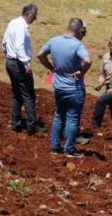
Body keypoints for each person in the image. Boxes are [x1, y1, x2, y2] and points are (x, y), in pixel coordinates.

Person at [37, 18, 92, 157]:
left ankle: (55, 147)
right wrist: (82, 72)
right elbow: (88, 60)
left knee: (59, 116)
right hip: (74, 88)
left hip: (59, 87)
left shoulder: (54, 40)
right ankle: (69, 150)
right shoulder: (77, 45)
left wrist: (51, 67)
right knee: (72, 118)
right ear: (79, 30)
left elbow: (40, 55)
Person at [2, 3, 40, 134]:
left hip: (10, 61)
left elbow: (5, 42)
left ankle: (15, 122)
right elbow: (19, 47)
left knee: (16, 92)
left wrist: (7, 54)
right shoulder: (21, 27)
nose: (35, 19)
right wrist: (26, 64)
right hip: (18, 63)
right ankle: (31, 126)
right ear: (28, 14)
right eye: (34, 16)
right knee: (28, 94)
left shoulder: (13, 22)